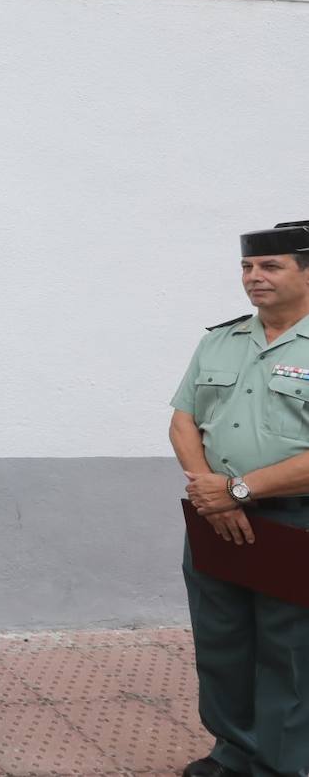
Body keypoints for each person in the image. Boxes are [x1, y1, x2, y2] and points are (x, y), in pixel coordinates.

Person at [174, 220, 309, 777]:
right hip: (215, 518)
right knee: (222, 643)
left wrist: (238, 490)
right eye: (248, 268)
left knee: (290, 654)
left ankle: (283, 765)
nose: (254, 277)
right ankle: (232, 755)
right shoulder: (221, 339)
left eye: (271, 266)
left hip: (293, 521)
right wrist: (215, 492)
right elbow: (184, 419)